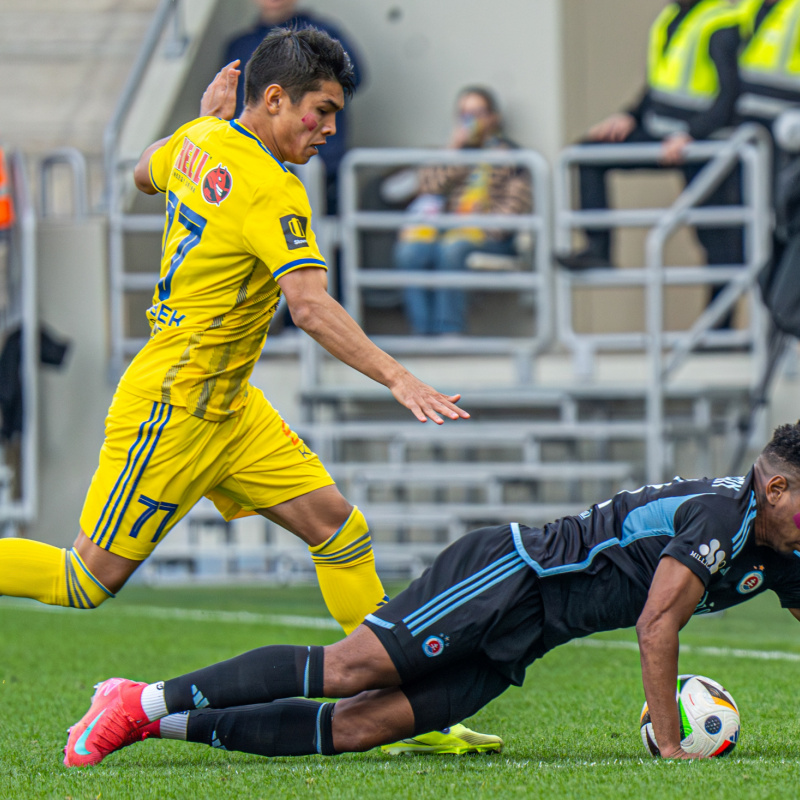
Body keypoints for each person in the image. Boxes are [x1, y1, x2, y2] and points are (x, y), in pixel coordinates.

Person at [0, 27, 499, 755]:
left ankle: (408, 714)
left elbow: (144, 173)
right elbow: (310, 308)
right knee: (86, 580)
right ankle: (118, 698)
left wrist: (201, 124)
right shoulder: (274, 187)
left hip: (229, 403)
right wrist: (399, 376)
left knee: (338, 530)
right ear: (273, 99)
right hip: (175, 403)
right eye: (320, 111)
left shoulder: (202, 138)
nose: (329, 129)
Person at [64, 420, 800, 765]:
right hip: (509, 575)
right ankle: (146, 697)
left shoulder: (783, 546)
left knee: (359, 727)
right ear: (773, 487)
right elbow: (655, 625)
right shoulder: (718, 516)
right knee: (352, 668)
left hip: (530, 636)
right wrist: (669, 744)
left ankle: (144, 721)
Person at [556, 0, 744, 281]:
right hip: (662, 134)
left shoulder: (720, 22)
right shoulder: (670, 18)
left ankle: (721, 325)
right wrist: (629, 115)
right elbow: (659, 83)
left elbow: (730, 95)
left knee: (719, 246)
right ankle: (598, 249)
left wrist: (691, 134)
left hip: (705, 145)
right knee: (589, 154)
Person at [392, 87, 532, 335]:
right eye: (464, 114)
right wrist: (452, 151)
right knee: (410, 251)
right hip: (447, 231)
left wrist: (481, 223)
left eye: (478, 113)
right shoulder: (456, 153)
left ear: (493, 117)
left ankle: (449, 332)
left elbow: (514, 209)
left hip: (491, 238)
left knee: (453, 248)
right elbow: (426, 186)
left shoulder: (512, 156)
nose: (471, 121)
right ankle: (422, 334)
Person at [223, 0, 364, 214]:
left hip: (320, 169)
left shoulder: (325, 35)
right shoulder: (240, 46)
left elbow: (353, 79)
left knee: (318, 241)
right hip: (257, 171)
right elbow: (231, 107)